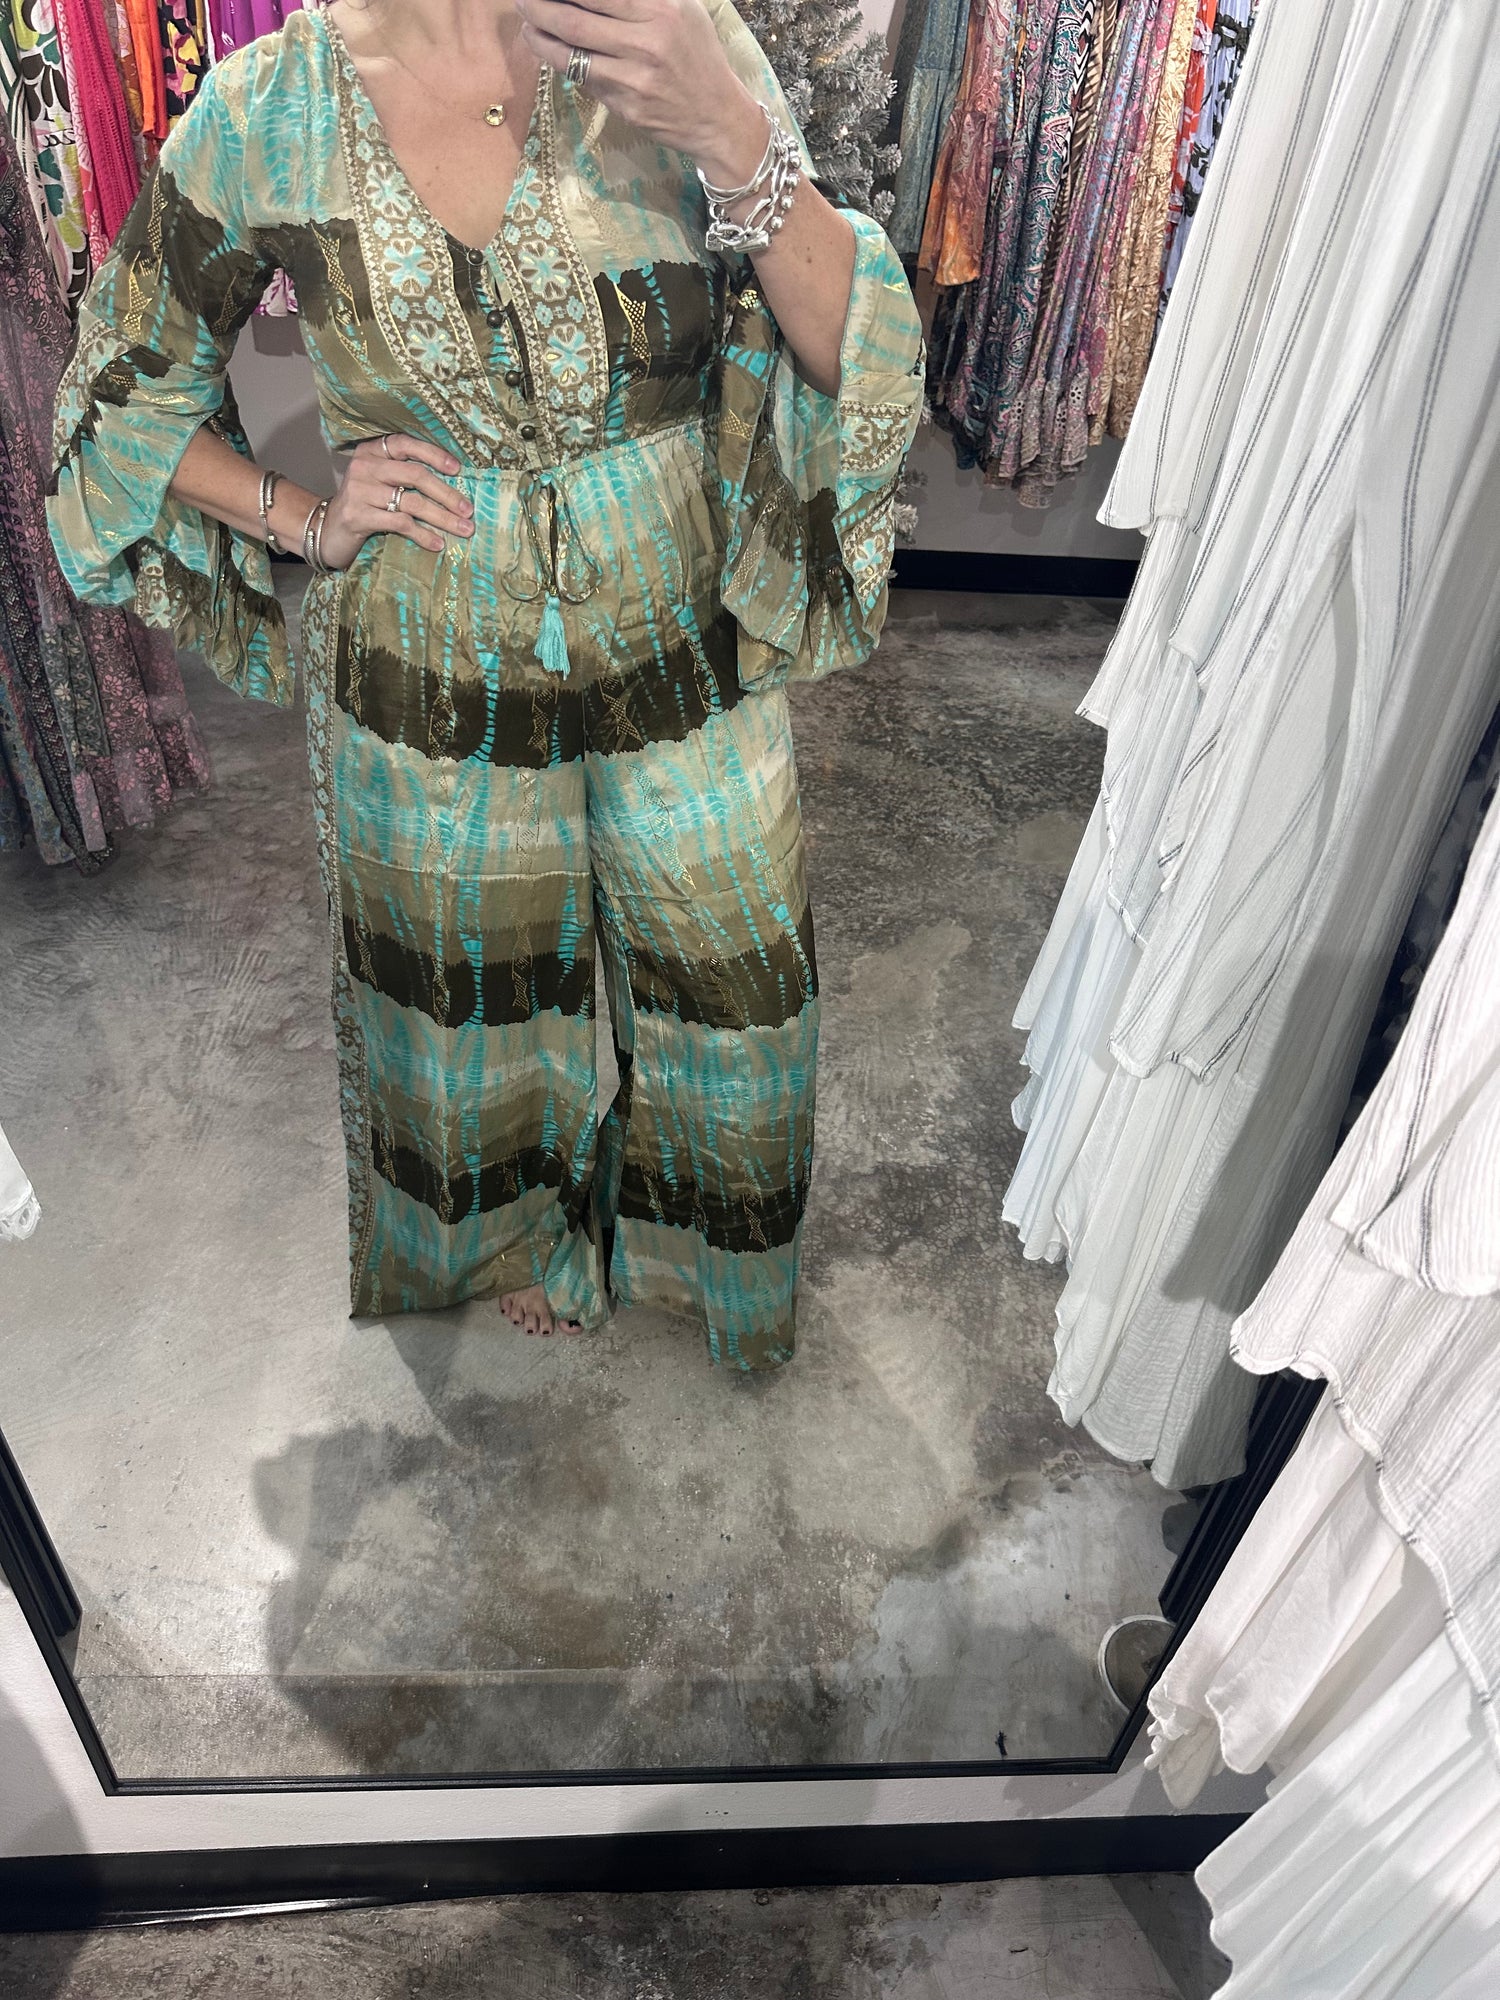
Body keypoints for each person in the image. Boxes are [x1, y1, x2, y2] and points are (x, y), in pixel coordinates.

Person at [48, 0, 924, 1370]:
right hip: (428, 640)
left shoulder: (665, 35)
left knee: (741, 985)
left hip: (681, 621)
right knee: (471, 994)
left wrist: (734, 134)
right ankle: (522, 1229)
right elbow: (115, 388)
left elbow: (854, 360)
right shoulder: (268, 109)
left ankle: (693, 1248)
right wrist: (303, 516)